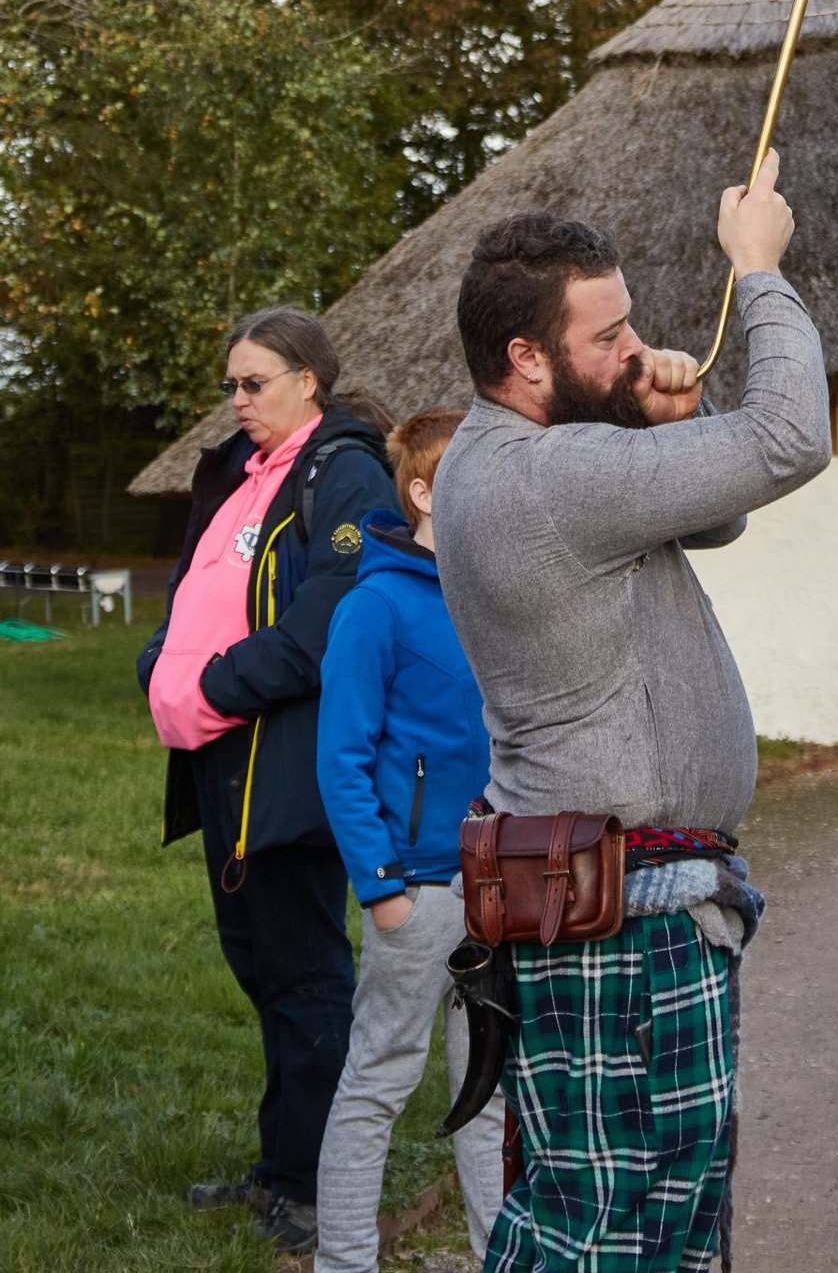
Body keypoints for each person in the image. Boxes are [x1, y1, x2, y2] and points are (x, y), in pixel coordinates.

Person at [431, 148, 831, 1273]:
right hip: (627, 918)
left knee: (659, 1216)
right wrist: (758, 272)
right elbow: (789, 440)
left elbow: (714, 519)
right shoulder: (550, 478)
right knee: (607, 1228)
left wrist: (650, 419)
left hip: (618, 901)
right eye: (605, 336)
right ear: (525, 356)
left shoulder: (526, 459)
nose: (636, 346)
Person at [137, 308, 395, 1257]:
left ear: (308, 382)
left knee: (306, 976)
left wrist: (207, 687)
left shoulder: (346, 473)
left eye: (254, 383)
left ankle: (317, 1188)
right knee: (262, 967)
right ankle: (281, 1163)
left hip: (286, 768)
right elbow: (195, 592)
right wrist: (158, 667)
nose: (237, 401)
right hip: (223, 759)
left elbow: (329, 624)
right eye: (231, 386)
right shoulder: (243, 475)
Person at [313, 408, 503, 1273]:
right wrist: (381, 886)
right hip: (415, 894)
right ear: (423, 492)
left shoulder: (494, 600)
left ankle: (500, 1254)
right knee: (379, 1081)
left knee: (489, 1091)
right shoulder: (374, 607)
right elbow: (341, 760)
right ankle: (344, 1262)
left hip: (497, 890)